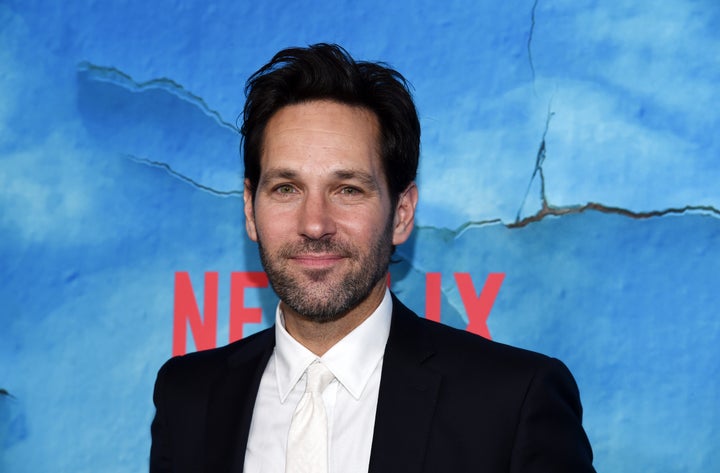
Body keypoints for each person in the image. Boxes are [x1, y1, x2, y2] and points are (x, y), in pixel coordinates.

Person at [149, 43, 595, 473]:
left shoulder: (513, 401)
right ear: (250, 209)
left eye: (348, 190)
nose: (315, 224)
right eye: (286, 188)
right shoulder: (188, 397)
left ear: (401, 214)